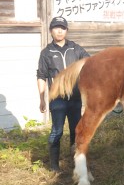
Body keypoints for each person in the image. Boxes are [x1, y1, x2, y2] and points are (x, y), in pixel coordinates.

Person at [36, 16, 90, 172]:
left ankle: (76, 163)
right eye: (56, 27)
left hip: (75, 99)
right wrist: (41, 98)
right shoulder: (46, 53)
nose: (59, 30)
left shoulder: (75, 48)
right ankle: (54, 166)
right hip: (57, 100)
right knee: (57, 131)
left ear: (66, 30)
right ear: (51, 31)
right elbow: (41, 75)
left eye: (63, 27)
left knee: (76, 130)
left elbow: (90, 63)